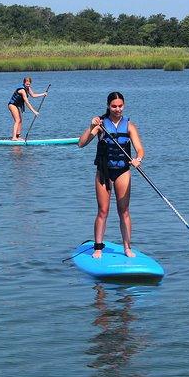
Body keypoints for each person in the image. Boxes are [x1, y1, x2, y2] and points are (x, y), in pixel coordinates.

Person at [78, 92, 145, 258]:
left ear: (124, 105)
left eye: (120, 106)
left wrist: (138, 159)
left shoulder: (129, 125)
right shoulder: (100, 124)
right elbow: (81, 143)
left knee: (124, 211)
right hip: (104, 171)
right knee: (103, 211)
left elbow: (140, 149)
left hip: (122, 171)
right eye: (114, 106)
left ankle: (127, 248)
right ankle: (98, 247)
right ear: (108, 106)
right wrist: (91, 126)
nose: (117, 109)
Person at [8, 77, 47, 141]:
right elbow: (27, 102)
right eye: (27, 84)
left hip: (17, 105)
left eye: (29, 84)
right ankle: (14, 137)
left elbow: (33, 95)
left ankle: (18, 136)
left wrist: (43, 94)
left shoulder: (28, 88)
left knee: (20, 121)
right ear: (24, 83)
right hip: (12, 105)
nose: (28, 85)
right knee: (17, 120)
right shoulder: (22, 90)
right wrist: (34, 111)